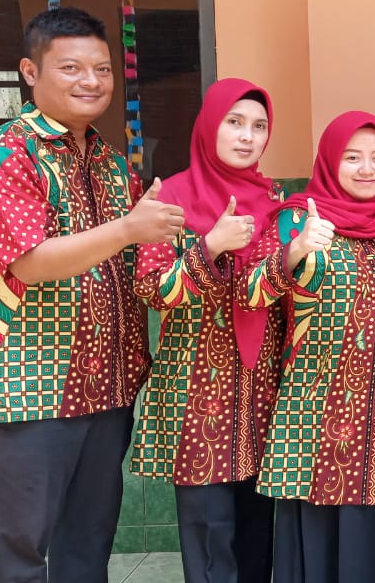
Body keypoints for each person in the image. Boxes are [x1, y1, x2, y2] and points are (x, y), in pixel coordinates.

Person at [0, 6, 184, 581]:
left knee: (88, 543)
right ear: (30, 72)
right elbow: (30, 263)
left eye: (102, 69)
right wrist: (130, 228)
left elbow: (136, 263)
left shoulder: (110, 164)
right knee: (20, 547)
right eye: (71, 68)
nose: (91, 81)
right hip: (30, 389)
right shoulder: (5, 154)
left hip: (107, 387)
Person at [253, 111, 375, 583]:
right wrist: (294, 252)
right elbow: (250, 295)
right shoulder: (296, 218)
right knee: (325, 534)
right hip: (318, 411)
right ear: (330, 162)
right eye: (352, 158)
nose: (367, 169)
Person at [129, 78, 287, 583]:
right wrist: (211, 247)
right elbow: (153, 289)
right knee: (208, 527)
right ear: (209, 126)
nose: (247, 136)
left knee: (258, 528)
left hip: (262, 387)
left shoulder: (275, 200)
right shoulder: (169, 198)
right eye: (234, 123)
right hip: (197, 390)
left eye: (258, 126)